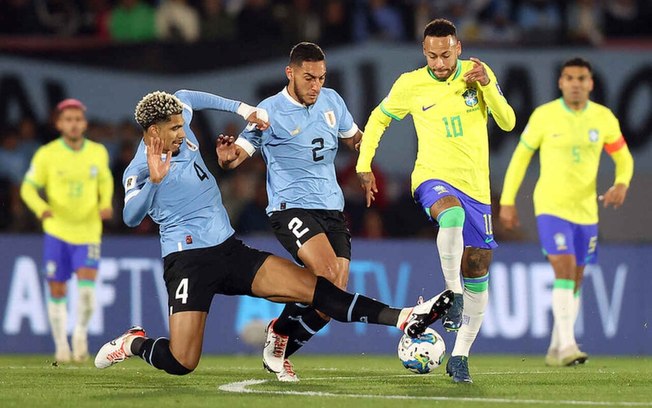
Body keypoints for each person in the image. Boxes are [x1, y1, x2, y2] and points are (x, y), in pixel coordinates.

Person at [94, 90, 453, 377]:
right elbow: (129, 216)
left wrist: (243, 109)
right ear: (154, 132)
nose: (183, 132)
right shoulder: (139, 169)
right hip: (187, 263)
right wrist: (155, 183)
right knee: (182, 361)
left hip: (229, 250)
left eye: (181, 125)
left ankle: (404, 316)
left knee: (319, 291)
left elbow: (188, 95)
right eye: (174, 129)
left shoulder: (179, 119)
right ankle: (133, 343)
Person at [356, 18, 516, 383]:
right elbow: (379, 120)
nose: (440, 64)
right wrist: (364, 165)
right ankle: (452, 293)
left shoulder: (478, 72)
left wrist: (488, 87)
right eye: (432, 56)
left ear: (458, 48)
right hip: (432, 177)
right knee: (451, 215)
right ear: (423, 53)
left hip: (476, 187)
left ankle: (460, 355)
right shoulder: (410, 84)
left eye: (445, 55)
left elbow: (507, 122)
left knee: (478, 265)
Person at [216, 42, 363, 382]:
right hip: (290, 207)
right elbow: (239, 154)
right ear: (290, 73)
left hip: (331, 207)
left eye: (321, 78)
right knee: (326, 273)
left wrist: (366, 162)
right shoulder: (268, 111)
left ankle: (279, 338)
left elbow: (355, 138)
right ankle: (279, 338)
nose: (316, 86)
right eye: (309, 78)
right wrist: (227, 157)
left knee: (331, 301)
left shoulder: (332, 101)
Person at [499, 57, 634, 367]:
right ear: (560, 82)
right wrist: (507, 201)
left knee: (574, 278)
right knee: (564, 267)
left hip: (586, 211)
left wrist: (621, 184)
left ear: (591, 83)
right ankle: (570, 344)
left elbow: (623, 158)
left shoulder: (603, 119)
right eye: (570, 78)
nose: (576, 83)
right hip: (551, 207)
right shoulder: (544, 116)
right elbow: (520, 159)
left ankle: (556, 346)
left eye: (582, 78)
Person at [20, 98, 114, 363]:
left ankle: (80, 333)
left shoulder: (98, 152)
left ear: (84, 123)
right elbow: (27, 187)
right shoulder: (47, 154)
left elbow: (106, 181)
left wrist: (106, 203)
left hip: (88, 231)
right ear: (59, 124)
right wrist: (41, 208)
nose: (73, 124)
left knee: (85, 291)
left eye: (77, 119)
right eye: (68, 120)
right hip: (57, 231)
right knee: (57, 289)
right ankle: (61, 344)